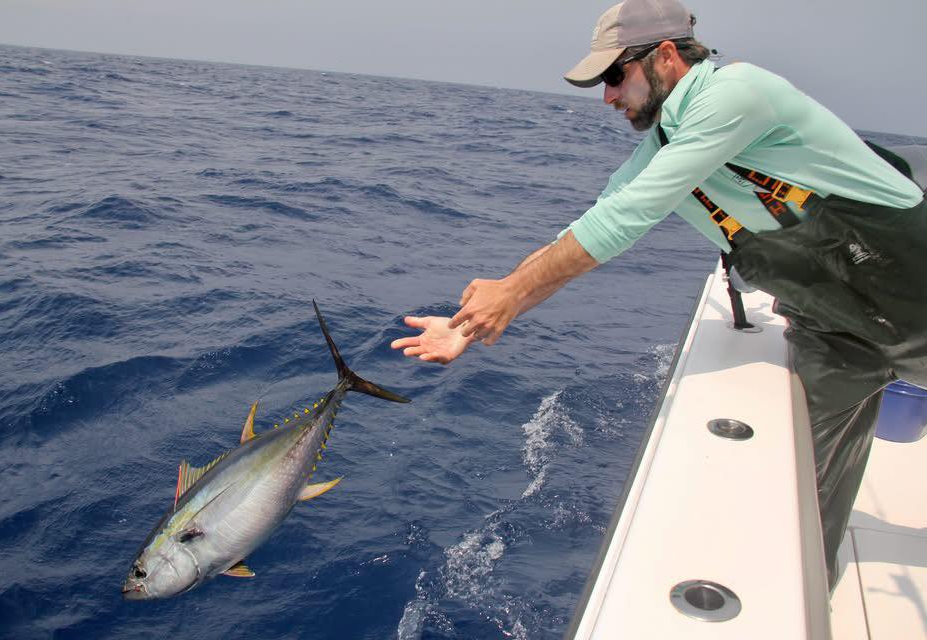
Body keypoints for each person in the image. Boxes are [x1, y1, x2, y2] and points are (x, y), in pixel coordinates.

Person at [390, 0, 927, 591]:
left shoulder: (738, 95)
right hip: (830, 324)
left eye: (614, 75)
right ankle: (801, 594)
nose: (607, 96)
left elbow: (630, 217)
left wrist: (512, 296)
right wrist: (468, 324)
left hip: (909, 286)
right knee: (804, 492)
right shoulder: (668, 141)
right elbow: (590, 224)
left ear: (665, 55)